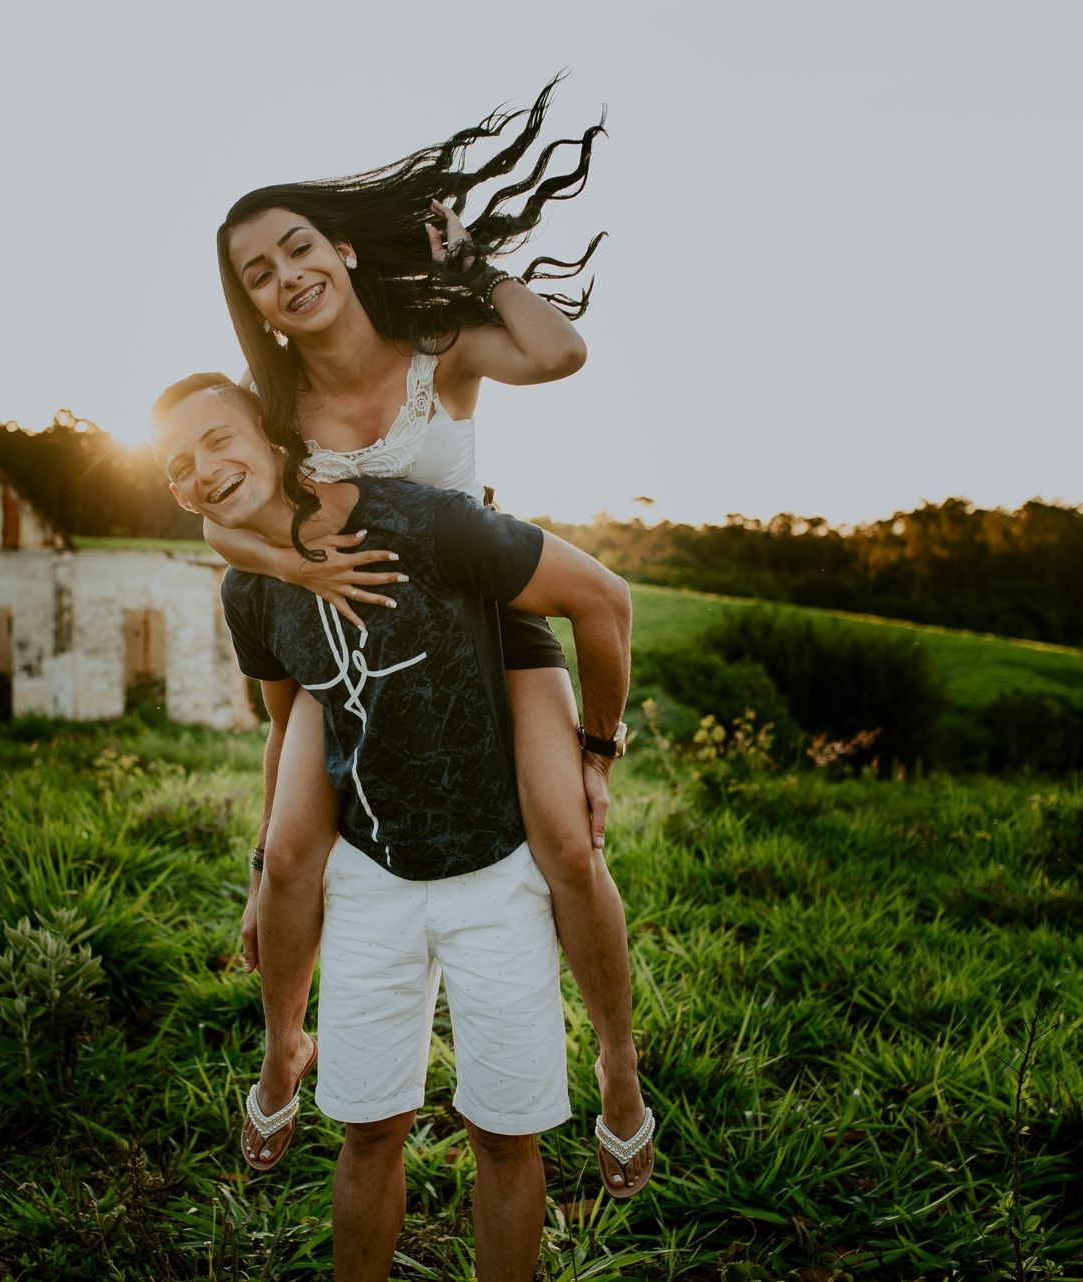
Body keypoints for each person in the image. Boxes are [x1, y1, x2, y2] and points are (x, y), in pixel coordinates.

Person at [203, 75, 654, 1198]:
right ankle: (284, 1047)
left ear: (343, 250)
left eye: (298, 247)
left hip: (489, 623)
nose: (286, 275)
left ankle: (616, 1062)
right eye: (258, 273)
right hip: (356, 639)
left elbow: (558, 354)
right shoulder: (271, 405)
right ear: (255, 305)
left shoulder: (435, 344)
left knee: (566, 845)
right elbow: (218, 515)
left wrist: (477, 267)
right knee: (290, 853)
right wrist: (299, 566)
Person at [151, 372, 646, 1282]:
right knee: (369, 1130)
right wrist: (263, 867)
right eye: (179, 466)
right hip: (372, 873)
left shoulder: (421, 520)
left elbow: (603, 598)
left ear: (270, 430)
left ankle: (621, 1062)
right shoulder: (249, 591)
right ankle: (282, 1048)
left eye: (218, 439)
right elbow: (285, 728)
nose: (204, 470)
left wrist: (596, 749)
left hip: (497, 869)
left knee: (506, 1133)